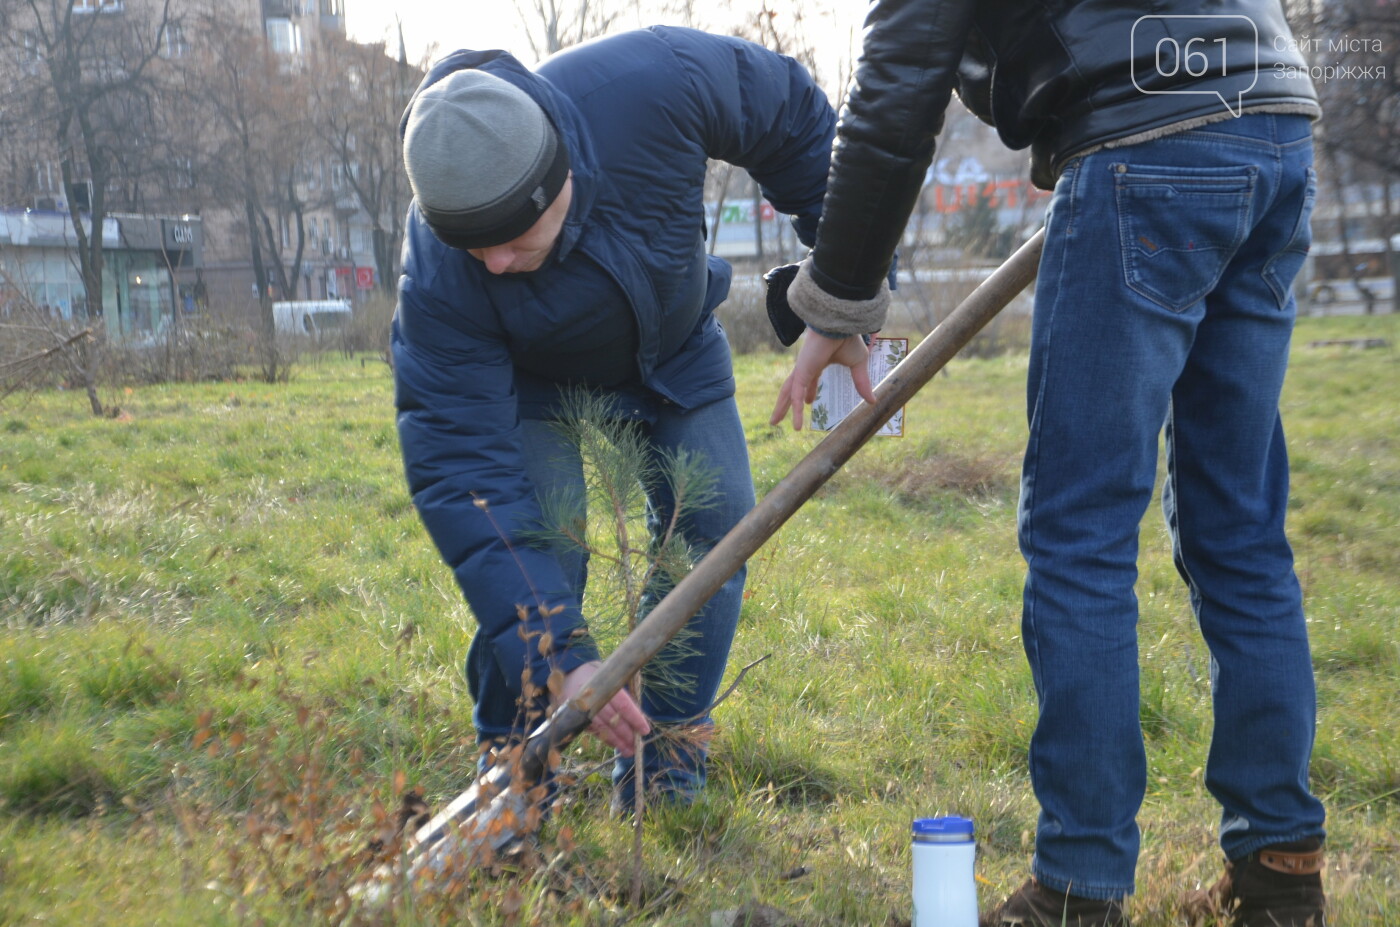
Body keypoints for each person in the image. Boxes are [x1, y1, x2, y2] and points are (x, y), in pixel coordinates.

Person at [767, 2, 1328, 925]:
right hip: (1273, 125)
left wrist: (835, 301)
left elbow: (898, 84)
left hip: (1147, 140)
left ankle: (1079, 882)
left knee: (1081, 532)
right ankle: (1280, 870)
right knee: (1241, 529)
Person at [393, 27, 836, 809]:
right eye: (474, 249)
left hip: (674, 341)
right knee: (550, 554)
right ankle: (515, 768)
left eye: (506, 239)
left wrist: (846, 291)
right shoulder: (439, 268)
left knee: (715, 524)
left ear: (551, 178)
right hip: (532, 380)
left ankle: (665, 765)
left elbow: (798, 121)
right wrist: (563, 655)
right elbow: (464, 470)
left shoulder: (656, 83)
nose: (492, 264)